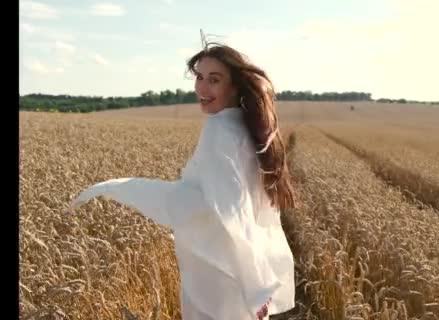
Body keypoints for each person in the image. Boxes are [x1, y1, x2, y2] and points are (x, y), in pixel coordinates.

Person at [66, 42, 296, 320]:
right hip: (234, 276)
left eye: (214, 79)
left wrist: (125, 188)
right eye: (199, 77)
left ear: (234, 86)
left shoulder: (219, 129)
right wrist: (257, 283)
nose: (202, 88)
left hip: (220, 278)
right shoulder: (243, 127)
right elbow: (248, 211)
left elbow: (231, 214)